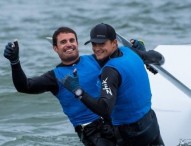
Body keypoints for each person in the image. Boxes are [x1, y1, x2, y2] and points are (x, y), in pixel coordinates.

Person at [3, 27, 116, 146]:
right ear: (55, 48)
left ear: (77, 43)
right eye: (63, 42)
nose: (69, 44)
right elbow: (25, 86)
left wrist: (137, 50)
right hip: (92, 132)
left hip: (114, 119)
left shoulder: (96, 59)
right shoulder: (54, 77)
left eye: (72, 40)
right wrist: (15, 63)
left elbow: (122, 62)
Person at [61, 23, 165, 146]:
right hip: (151, 124)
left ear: (114, 43)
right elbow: (160, 58)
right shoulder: (130, 52)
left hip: (130, 134)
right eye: (94, 44)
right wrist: (142, 53)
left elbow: (105, 109)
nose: (97, 48)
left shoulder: (109, 71)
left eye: (102, 43)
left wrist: (78, 91)